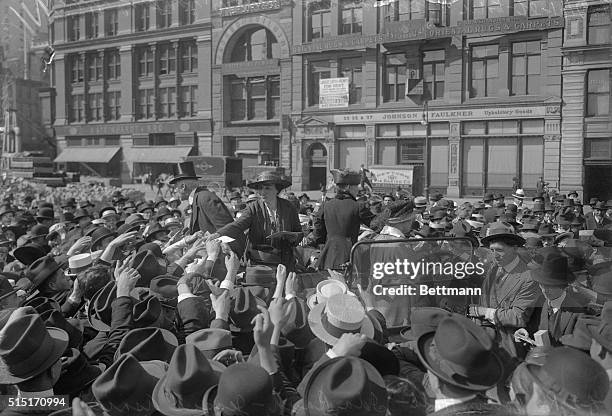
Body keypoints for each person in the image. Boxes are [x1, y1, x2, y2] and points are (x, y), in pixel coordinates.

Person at [207, 170, 302, 271]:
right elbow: (237, 225)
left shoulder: (289, 207)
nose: (262, 192)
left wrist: (294, 237)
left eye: (267, 188)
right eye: (260, 188)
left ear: (277, 190)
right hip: (260, 263)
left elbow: (298, 231)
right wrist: (218, 234)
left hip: (285, 262)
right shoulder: (253, 208)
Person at [310, 169, 375, 270]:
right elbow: (376, 224)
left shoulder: (326, 205)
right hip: (349, 254)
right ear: (348, 187)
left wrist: (323, 244)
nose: (358, 190)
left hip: (328, 256)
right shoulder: (358, 206)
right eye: (356, 186)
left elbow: (318, 231)